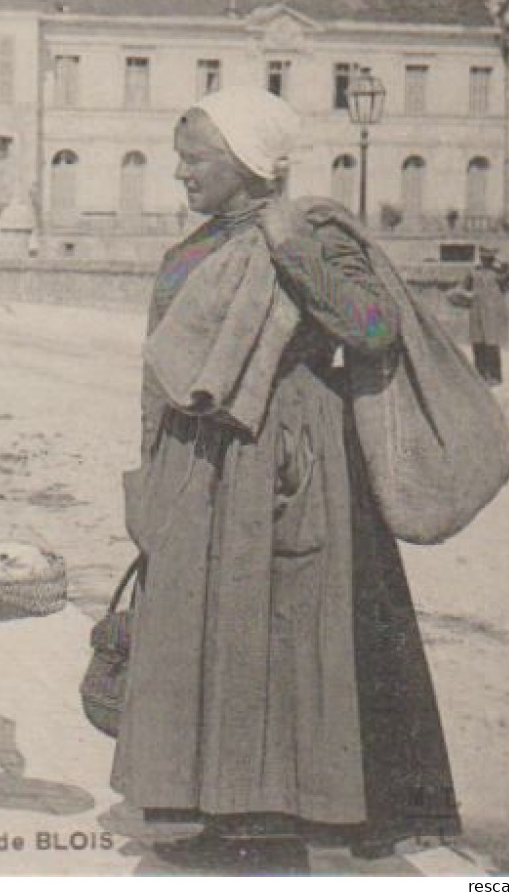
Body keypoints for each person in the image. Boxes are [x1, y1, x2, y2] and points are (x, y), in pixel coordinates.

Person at [112, 88, 458, 874]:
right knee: (205, 632)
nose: (179, 173)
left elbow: (372, 327)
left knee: (281, 634)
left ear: (243, 162)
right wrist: (147, 472)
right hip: (199, 460)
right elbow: (155, 365)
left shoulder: (315, 232)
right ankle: (221, 806)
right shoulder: (192, 249)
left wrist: (291, 246)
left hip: (288, 457)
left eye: (194, 159)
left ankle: (272, 823)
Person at [459, 246, 509, 384]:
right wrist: (464, 295)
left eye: (489, 258)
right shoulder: (473, 272)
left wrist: (502, 262)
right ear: (480, 258)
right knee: (478, 344)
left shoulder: (498, 274)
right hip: (477, 313)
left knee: (492, 345)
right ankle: (480, 375)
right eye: (484, 257)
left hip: (492, 313)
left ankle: (495, 377)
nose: (486, 261)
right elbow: (461, 288)